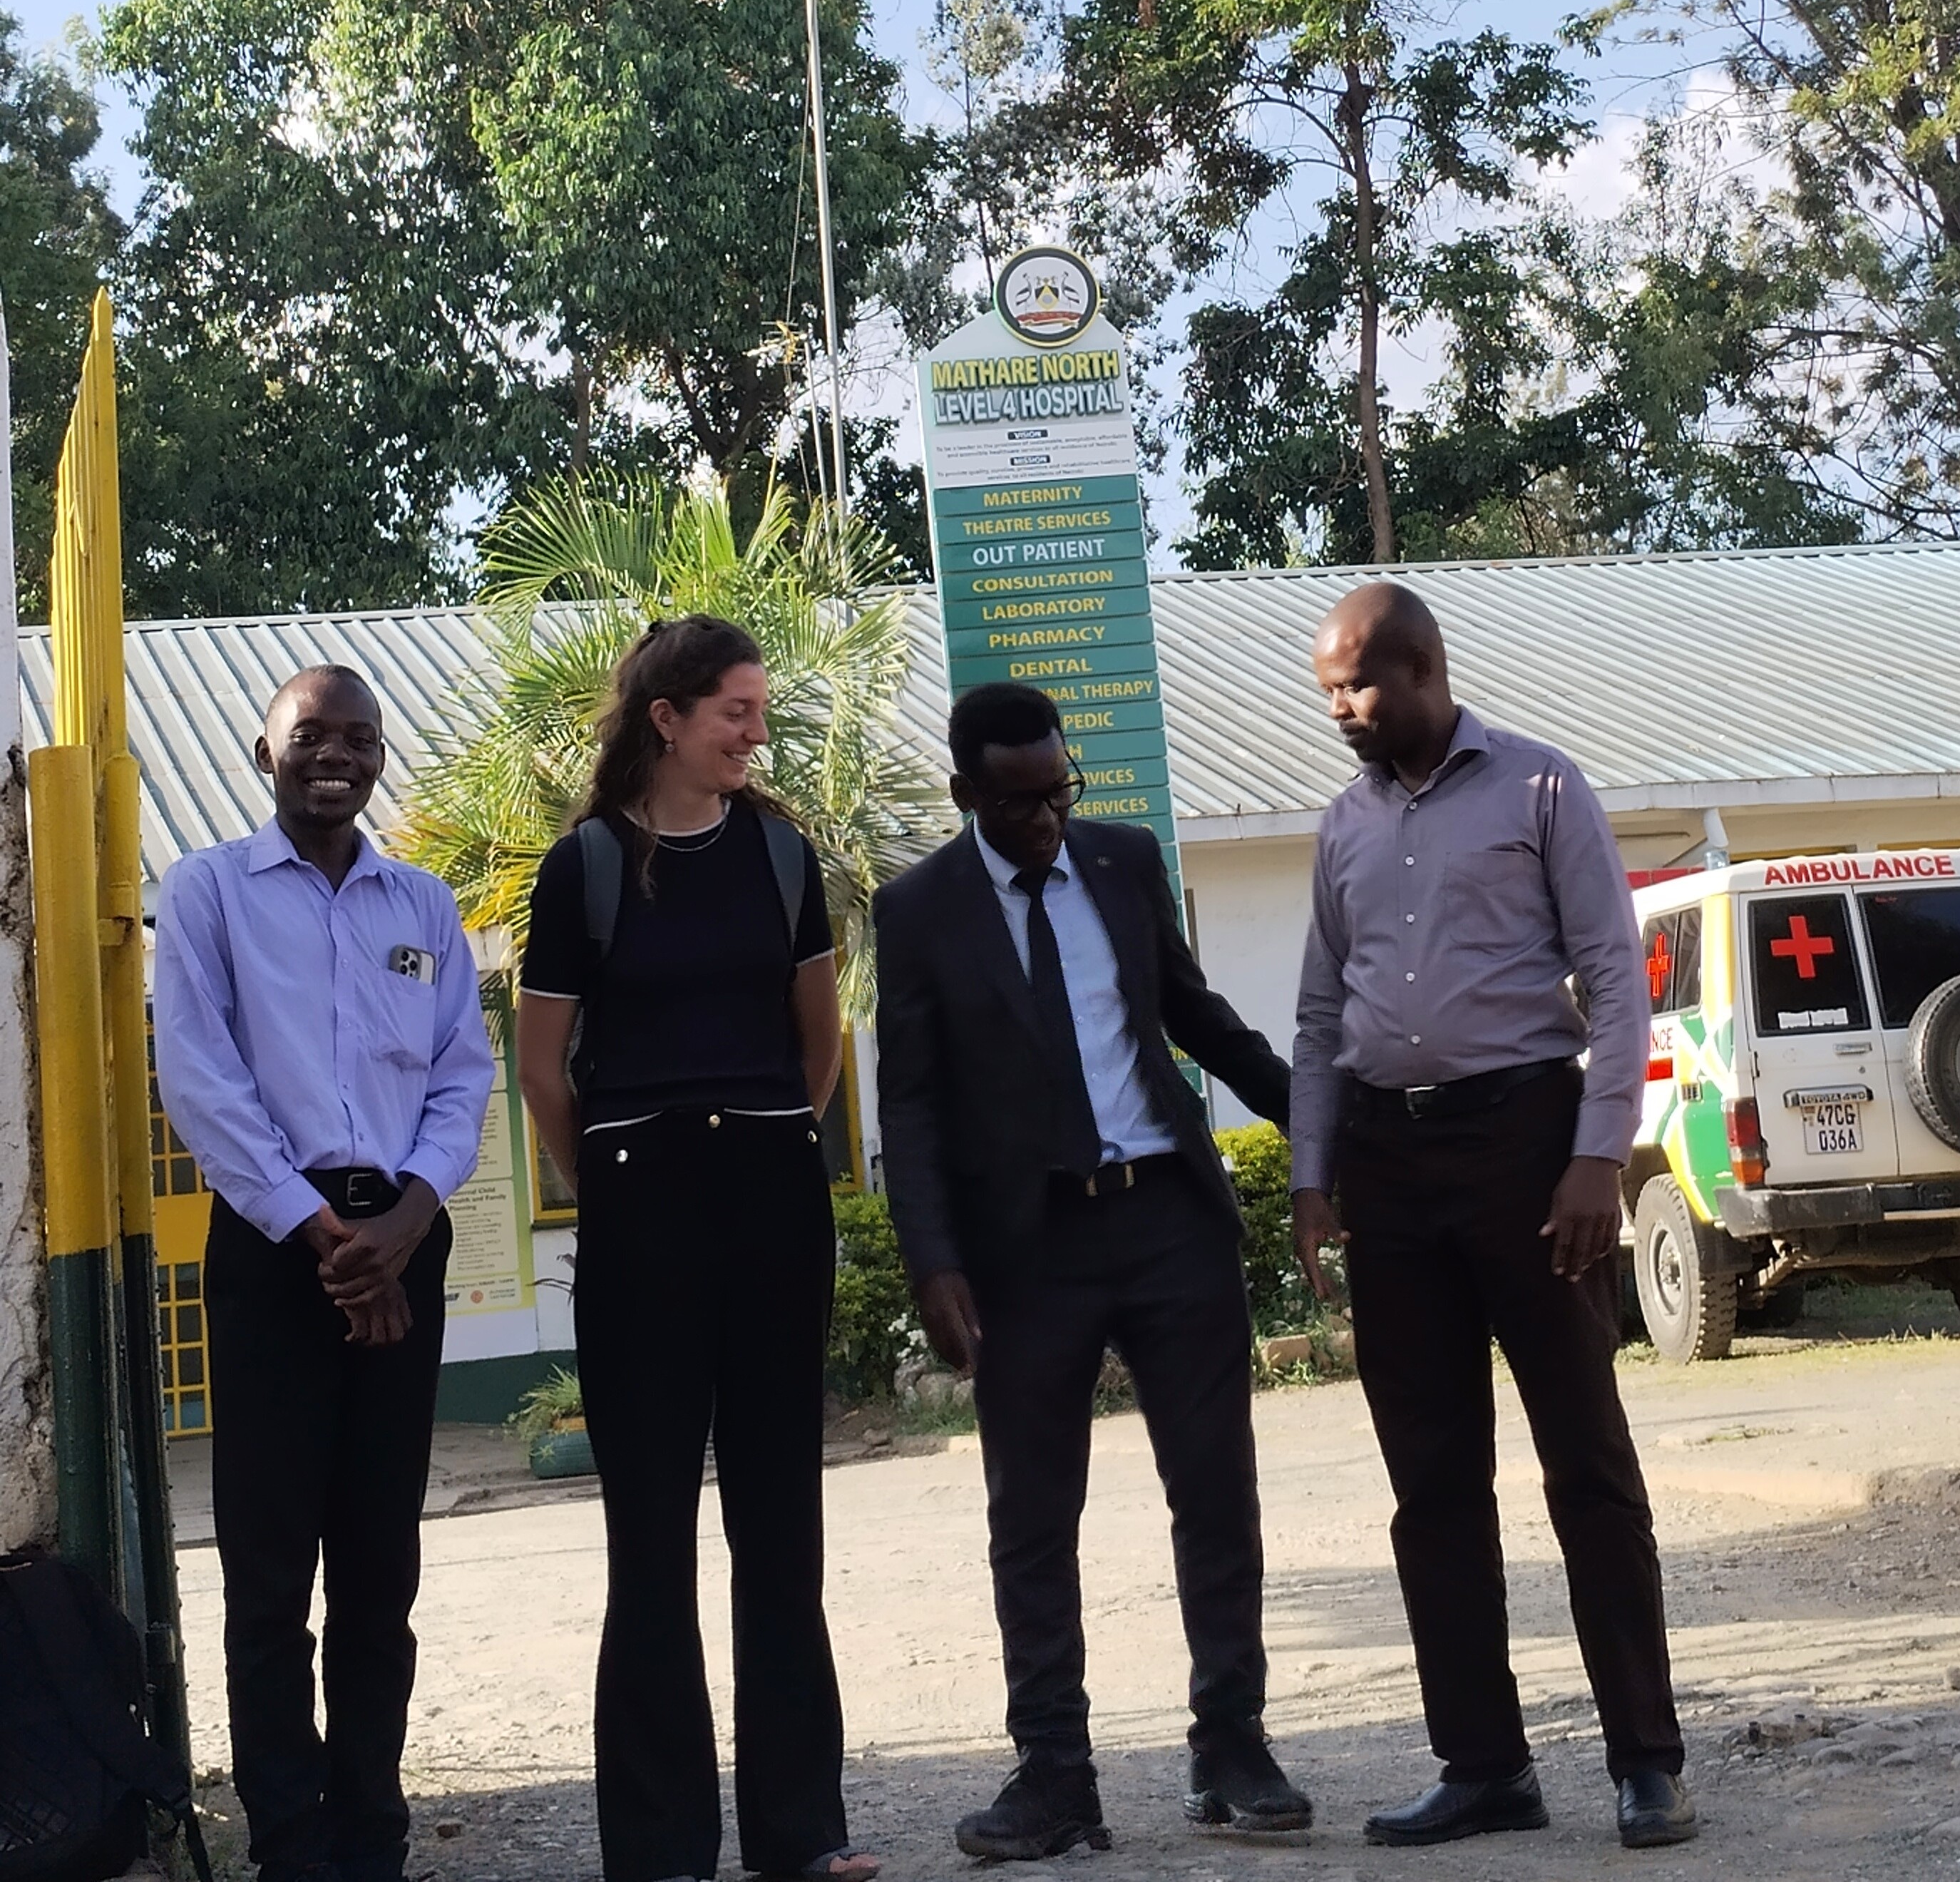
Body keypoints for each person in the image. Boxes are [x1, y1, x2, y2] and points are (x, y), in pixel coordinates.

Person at [1291, 583, 1694, 1853]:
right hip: (1389, 1166)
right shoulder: (1341, 827)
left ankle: (1646, 1763)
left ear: (1420, 667)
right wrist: (1312, 1175)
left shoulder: (1541, 789)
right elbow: (1316, 1019)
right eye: (1328, 694)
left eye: (1354, 686)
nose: (1341, 711)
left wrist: (1595, 1159)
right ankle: (1482, 1764)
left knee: (1586, 1459)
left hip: (1529, 1154)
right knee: (1432, 1482)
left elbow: (1617, 991)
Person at [874, 679, 1308, 1861]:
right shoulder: (917, 911)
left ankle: (1232, 1748)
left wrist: (1314, 1124)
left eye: (1060, 792)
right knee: (1033, 1518)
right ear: (969, 796)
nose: (1047, 820)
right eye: (1018, 804)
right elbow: (907, 1109)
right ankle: (1056, 1778)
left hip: (1168, 1220)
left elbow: (1196, 1018)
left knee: (1216, 1492)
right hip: (1028, 1252)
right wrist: (933, 1265)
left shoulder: (1121, 863)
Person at [515, 615, 876, 1882]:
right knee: (651, 1534)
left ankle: (803, 1835)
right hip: (638, 1198)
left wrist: (772, 1146)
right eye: (735, 710)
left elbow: (818, 1044)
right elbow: (541, 1066)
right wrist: (609, 1188)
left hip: (773, 1191)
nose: (755, 732)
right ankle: (663, 1849)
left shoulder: (784, 852)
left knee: (782, 1523)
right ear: (666, 718)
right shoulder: (585, 869)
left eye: (758, 710)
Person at [152, 665, 495, 1882]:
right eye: (312, 736)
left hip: (399, 1229)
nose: (336, 756)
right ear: (265, 752)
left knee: (378, 1558)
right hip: (273, 1247)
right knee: (269, 1561)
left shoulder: (424, 906)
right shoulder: (206, 898)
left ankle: (372, 1830)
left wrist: (404, 1219)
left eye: (359, 736)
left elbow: (463, 1074)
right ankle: (291, 1843)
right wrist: (325, 1238)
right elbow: (202, 1080)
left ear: (379, 754)